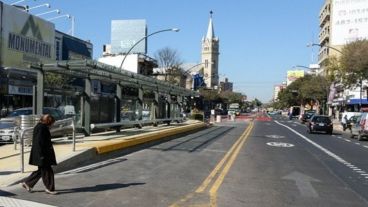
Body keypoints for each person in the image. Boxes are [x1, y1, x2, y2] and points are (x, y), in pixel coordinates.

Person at [21, 114, 58, 195]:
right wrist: (41, 156)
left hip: (41, 154)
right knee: (48, 171)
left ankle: (28, 183)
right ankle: (49, 188)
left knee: (42, 171)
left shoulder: (40, 126)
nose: (52, 125)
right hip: (42, 154)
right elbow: (39, 142)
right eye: (51, 123)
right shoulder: (42, 128)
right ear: (48, 121)